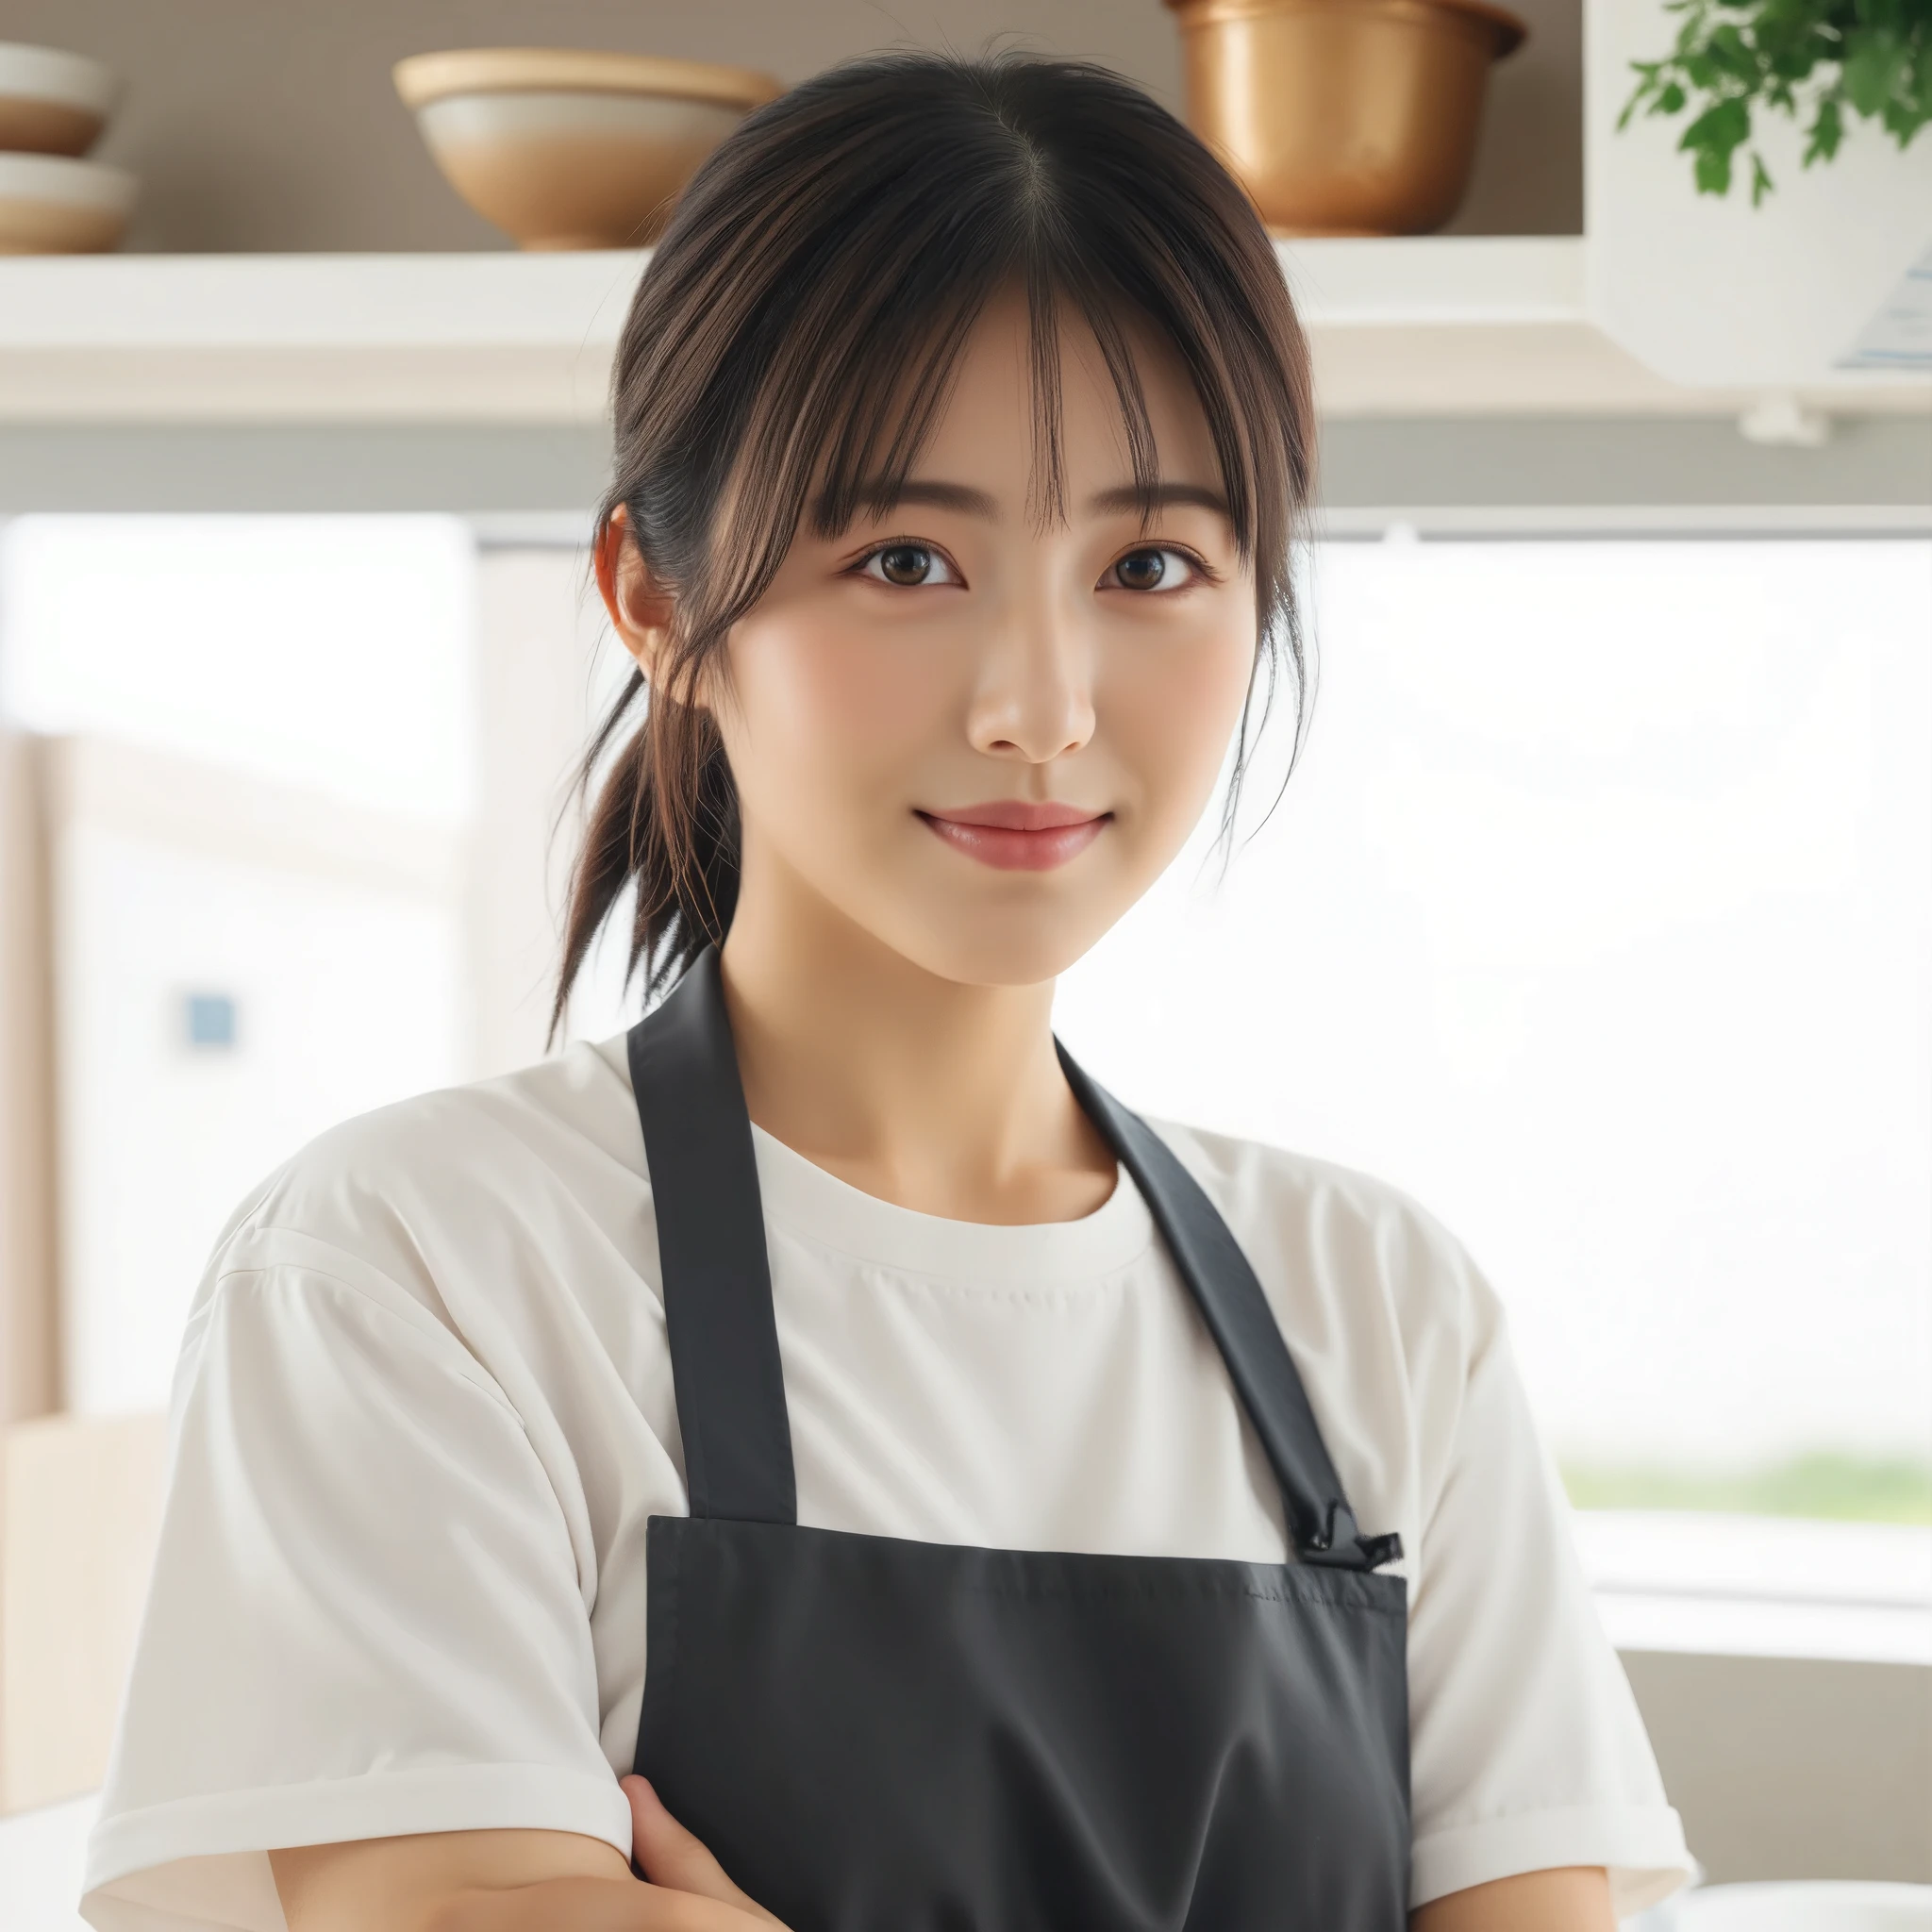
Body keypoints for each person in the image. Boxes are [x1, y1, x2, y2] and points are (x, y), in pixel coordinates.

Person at [83, 53, 1690, 1932]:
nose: (1040, 703)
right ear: (657, 604)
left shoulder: (1390, 1311)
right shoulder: (416, 1271)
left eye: (1152, 561)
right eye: (906, 559)